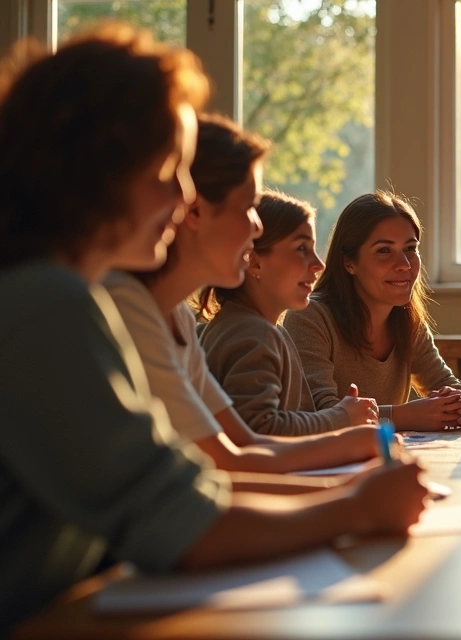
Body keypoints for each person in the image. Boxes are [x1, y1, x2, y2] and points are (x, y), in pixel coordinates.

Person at [0, 25, 426, 634]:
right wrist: (354, 508)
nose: (182, 194)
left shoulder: (63, 295)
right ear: (101, 166)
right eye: (168, 168)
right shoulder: (49, 304)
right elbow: (181, 523)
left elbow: (194, 479)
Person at [106, 113, 383, 476]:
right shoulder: (126, 308)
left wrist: (350, 451)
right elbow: (230, 464)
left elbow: (242, 444)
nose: (255, 227)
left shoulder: (178, 319)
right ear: (194, 210)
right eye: (247, 206)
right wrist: (348, 469)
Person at [284, 191, 461, 431]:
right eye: (384, 251)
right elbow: (321, 414)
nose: (404, 265)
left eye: (410, 248)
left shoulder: (407, 318)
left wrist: (457, 402)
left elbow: (442, 381)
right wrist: (401, 416)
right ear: (349, 263)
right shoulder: (310, 316)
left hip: (387, 455)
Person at [200, 190, 369, 436]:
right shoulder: (253, 335)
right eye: (302, 248)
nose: (319, 264)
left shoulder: (255, 327)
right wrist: (341, 418)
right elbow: (259, 428)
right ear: (254, 262)